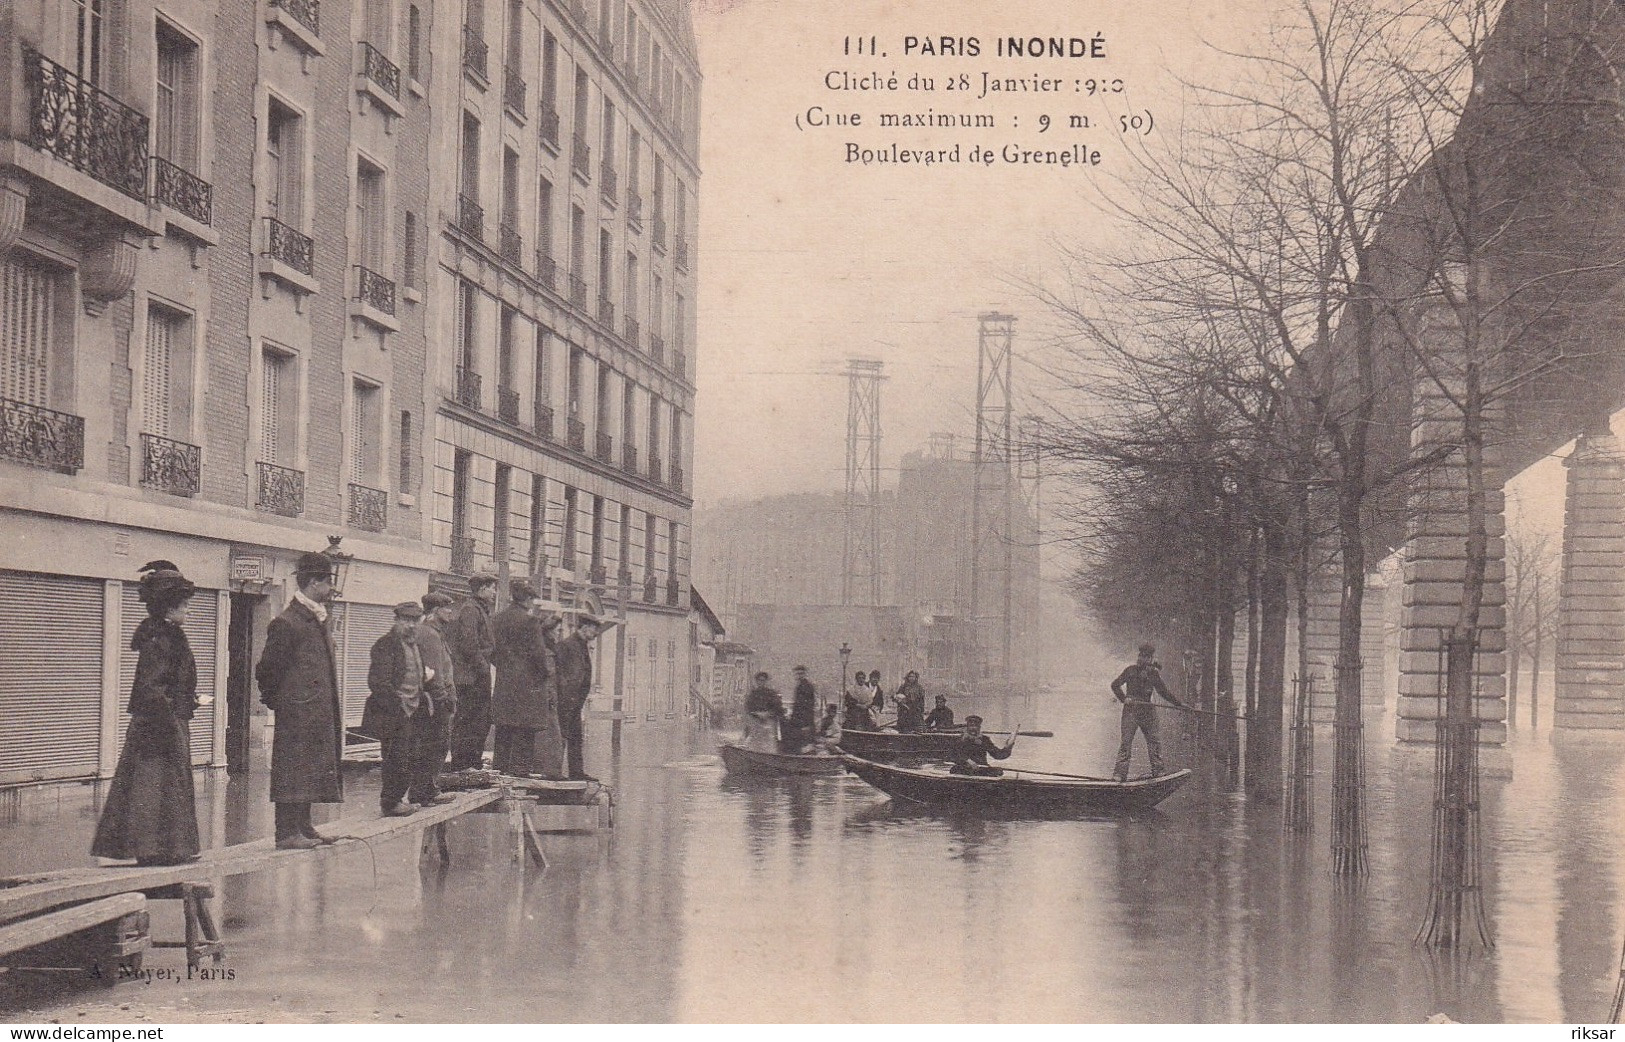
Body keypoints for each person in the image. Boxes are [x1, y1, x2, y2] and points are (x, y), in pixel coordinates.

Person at [91, 562, 202, 865]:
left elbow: (166, 682)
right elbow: (152, 687)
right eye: (185, 606)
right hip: (158, 725)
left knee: (160, 786)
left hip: (163, 720)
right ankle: (155, 852)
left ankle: (165, 850)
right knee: (153, 787)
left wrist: (187, 699)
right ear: (169, 608)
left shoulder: (165, 635)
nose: (188, 612)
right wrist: (169, 720)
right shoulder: (162, 639)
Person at [256, 551, 344, 849]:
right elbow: (267, 669)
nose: (332, 589)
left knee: (309, 767)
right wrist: (280, 702)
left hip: (315, 710)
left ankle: (304, 826)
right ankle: (286, 833)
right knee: (293, 769)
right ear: (315, 583)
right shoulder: (288, 622)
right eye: (328, 582)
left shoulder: (315, 617)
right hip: (297, 711)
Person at [362, 603, 430, 817]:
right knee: (395, 758)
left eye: (415, 621)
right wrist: (396, 706)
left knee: (410, 757)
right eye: (406, 620)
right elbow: (378, 682)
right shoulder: (386, 645)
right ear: (396, 621)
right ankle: (391, 802)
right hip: (394, 712)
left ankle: (398, 799)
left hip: (413, 710)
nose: (411, 626)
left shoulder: (414, 646)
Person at [490, 580, 557, 777]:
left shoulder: (497, 619)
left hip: (504, 681)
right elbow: (538, 654)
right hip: (528, 683)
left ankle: (499, 769)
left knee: (504, 727)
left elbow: (492, 651)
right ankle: (520, 771)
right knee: (525, 729)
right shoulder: (530, 622)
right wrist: (546, 673)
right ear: (527, 599)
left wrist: (504, 667)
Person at [1110, 643, 1186, 781]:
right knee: (1126, 743)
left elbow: (1164, 692)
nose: (1143, 659)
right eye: (1142, 656)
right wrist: (1124, 698)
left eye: (1147, 657)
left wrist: (1179, 704)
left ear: (1151, 659)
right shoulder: (1130, 671)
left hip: (1148, 712)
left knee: (1154, 742)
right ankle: (1119, 775)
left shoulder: (1153, 674)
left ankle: (1158, 772)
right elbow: (1114, 685)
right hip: (1131, 711)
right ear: (1139, 657)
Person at [410, 591, 458, 806]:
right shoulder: (429, 634)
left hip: (437, 698)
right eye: (447, 607)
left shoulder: (433, 632)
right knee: (434, 745)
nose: (450, 611)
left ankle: (427, 790)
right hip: (436, 700)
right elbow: (434, 671)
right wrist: (443, 699)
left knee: (434, 745)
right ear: (436, 611)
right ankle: (425, 791)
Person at [446, 571, 497, 771]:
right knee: (468, 720)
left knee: (480, 721)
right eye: (492, 588)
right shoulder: (471, 610)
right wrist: (484, 668)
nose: (494, 593)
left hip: (476, 675)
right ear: (482, 588)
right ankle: (462, 764)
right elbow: (469, 645)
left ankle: (472, 763)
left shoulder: (480, 609)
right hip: (470, 678)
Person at [556, 615, 608, 781]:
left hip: (576, 701)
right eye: (594, 630)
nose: (595, 634)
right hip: (566, 700)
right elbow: (561, 675)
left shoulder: (582, 645)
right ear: (584, 627)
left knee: (576, 737)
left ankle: (576, 772)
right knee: (561, 736)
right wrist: (566, 697)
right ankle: (555, 772)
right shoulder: (567, 645)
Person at [949, 715, 1013, 776]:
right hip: (964, 768)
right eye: (971, 726)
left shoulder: (984, 740)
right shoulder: (959, 740)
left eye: (976, 726)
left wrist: (1007, 747)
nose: (973, 728)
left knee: (998, 771)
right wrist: (967, 761)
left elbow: (997, 755)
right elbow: (953, 755)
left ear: (979, 728)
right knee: (955, 770)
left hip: (981, 768)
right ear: (967, 727)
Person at [742, 672, 785, 752]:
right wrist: (756, 714)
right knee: (755, 745)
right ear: (756, 681)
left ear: (766, 681)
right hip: (756, 723)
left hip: (769, 723)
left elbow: (778, 708)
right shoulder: (753, 694)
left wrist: (768, 713)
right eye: (759, 680)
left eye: (763, 680)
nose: (761, 682)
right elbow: (748, 708)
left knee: (769, 745)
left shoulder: (771, 694)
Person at [783, 665, 817, 753]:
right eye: (797, 674)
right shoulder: (800, 686)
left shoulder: (806, 686)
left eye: (801, 674)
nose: (799, 676)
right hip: (800, 717)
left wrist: (799, 719)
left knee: (798, 738)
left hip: (803, 718)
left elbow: (806, 705)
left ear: (805, 674)